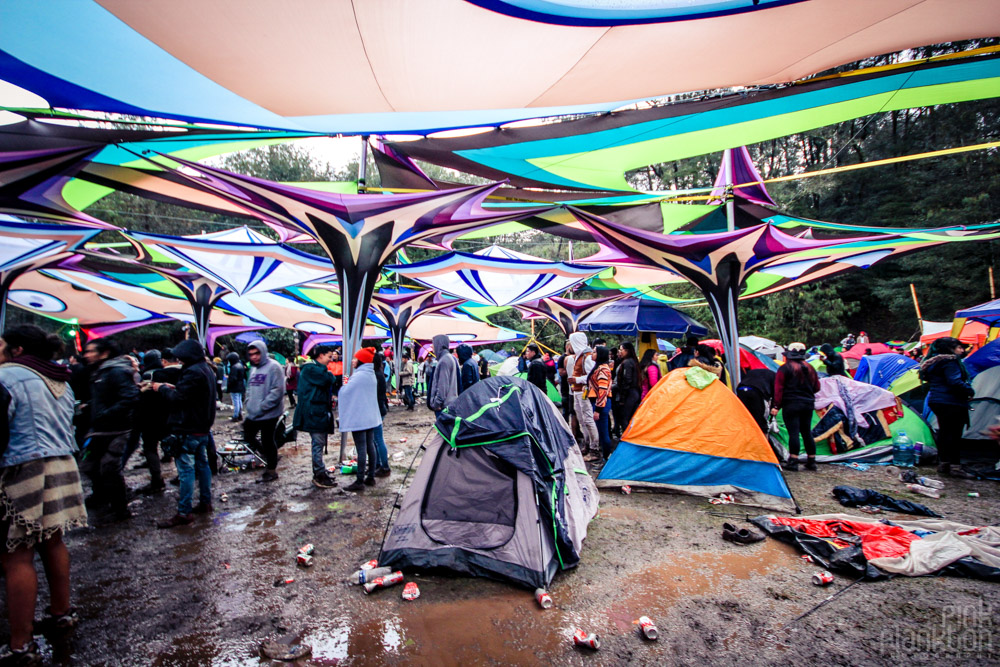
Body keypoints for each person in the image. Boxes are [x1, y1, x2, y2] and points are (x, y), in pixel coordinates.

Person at [0, 326, 87, 664]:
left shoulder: (8, 377)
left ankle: (21, 643)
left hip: (23, 469)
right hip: (62, 464)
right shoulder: (58, 379)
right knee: (53, 540)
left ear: (18, 349)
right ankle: (61, 612)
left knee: (16, 555)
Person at [153, 339, 217, 528]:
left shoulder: (192, 372)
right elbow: (193, 394)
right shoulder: (206, 369)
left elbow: (178, 399)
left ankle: (184, 512)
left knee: (186, 471)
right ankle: (205, 502)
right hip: (203, 427)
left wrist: (162, 388)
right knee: (202, 466)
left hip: (188, 428)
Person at [82, 339, 139, 522]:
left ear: (104, 353)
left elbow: (129, 397)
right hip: (99, 429)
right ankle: (101, 497)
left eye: (91, 351)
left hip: (117, 429)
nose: (87, 355)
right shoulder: (100, 371)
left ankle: (120, 508)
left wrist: (105, 413)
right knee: (88, 465)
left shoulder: (116, 371)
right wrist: (90, 407)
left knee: (110, 468)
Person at [920, 337, 975, 478]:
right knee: (955, 434)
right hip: (951, 401)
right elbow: (954, 381)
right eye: (959, 347)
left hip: (936, 400)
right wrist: (969, 390)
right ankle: (955, 466)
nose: (962, 350)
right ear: (950, 349)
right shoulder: (950, 361)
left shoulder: (932, 362)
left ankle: (944, 463)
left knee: (944, 432)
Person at [133, 349, 181, 495]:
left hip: (151, 417)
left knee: (150, 447)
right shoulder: (173, 372)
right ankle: (180, 474)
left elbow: (143, 398)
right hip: (170, 416)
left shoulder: (149, 375)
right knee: (174, 446)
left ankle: (157, 480)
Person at [293, 345, 337, 489]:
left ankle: (320, 471)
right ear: (320, 355)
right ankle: (319, 474)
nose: (330, 360)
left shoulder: (313, 369)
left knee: (319, 443)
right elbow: (328, 379)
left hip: (318, 412)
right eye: (329, 357)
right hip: (314, 413)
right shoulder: (311, 369)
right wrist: (330, 375)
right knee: (317, 444)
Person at [771, 342, 821, 472]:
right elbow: (817, 387)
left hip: (791, 404)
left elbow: (779, 389)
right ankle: (811, 461)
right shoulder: (810, 368)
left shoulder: (785, 369)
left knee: (793, 432)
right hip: (808, 404)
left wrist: (776, 405)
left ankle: (793, 461)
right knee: (806, 432)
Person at [338, 348, 382, 493]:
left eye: (355, 359)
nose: (353, 361)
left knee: (362, 448)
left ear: (361, 360)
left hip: (360, 417)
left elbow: (345, 392)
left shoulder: (359, 376)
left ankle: (359, 481)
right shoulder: (370, 374)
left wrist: (344, 386)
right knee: (370, 445)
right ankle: (370, 476)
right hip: (370, 416)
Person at [243, 340, 284, 483]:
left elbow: (278, 390)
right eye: (251, 354)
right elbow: (249, 388)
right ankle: (267, 455)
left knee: (268, 440)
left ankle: (271, 470)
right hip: (253, 412)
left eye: (256, 353)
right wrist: (248, 403)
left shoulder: (274, 367)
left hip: (269, 413)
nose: (254, 357)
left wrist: (263, 406)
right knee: (247, 435)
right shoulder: (253, 369)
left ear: (263, 352)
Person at [569, 333, 598, 459]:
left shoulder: (587, 356)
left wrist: (577, 379)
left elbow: (592, 375)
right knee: (582, 420)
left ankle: (594, 448)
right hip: (577, 391)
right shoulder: (579, 356)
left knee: (588, 420)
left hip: (584, 391)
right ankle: (587, 444)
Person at [587, 346, 614, 462]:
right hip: (600, 402)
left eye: (594, 352)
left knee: (603, 432)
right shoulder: (600, 368)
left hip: (601, 403)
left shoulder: (602, 370)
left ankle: (606, 457)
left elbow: (602, 391)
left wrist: (598, 409)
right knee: (602, 431)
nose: (592, 354)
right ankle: (605, 456)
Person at [737, 368, 777, 435]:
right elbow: (775, 394)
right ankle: (763, 441)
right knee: (760, 419)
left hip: (741, 389)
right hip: (757, 391)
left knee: (743, 416)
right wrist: (774, 407)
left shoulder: (755, 372)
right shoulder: (775, 377)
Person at [613, 342, 641, 436]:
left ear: (627, 351)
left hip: (629, 393)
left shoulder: (628, 362)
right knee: (628, 417)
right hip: (633, 393)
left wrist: (622, 397)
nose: (620, 352)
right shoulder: (631, 361)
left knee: (624, 418)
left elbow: (627, 380)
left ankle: (627, 437)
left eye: (621, 350)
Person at [372, 352, 391, 478]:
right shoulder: (380, 374)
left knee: (377, 439)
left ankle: (384, 466)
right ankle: (379, 464)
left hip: (377, 409)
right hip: (381, 408)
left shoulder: (375, 376)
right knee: (376, 439)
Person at [428, 335, 458, 415]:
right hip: (447, 405)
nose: (431, 346)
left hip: (444, 407)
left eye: (433, 343)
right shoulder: (447, 358)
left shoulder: (444, 360)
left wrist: (437, 403)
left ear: (439, 344)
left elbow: (442, 386)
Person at [226, 352, 246, 421]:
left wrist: (229, 386)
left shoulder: (234, 367)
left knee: (236, 402)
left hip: (235, 387)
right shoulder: (240, 365)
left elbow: (233, 379)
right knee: (239, 401)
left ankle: (235, 416)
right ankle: (240, 415)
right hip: (240, 386)